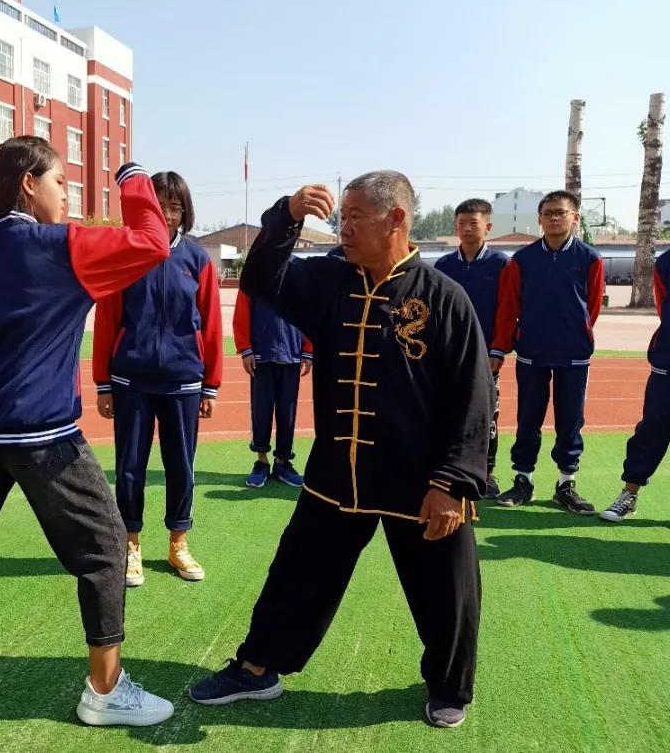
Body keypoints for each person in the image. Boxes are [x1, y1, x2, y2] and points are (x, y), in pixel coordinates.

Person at [188, 171, 492, 729]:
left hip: (421, 480)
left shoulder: (444, 299)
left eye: (356, 217)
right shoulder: (329, 282)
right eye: (341, 215)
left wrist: (451, 484)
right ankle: (257, 670)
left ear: (396, 219)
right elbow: (260, 278)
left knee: (448, 591)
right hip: (338, 472)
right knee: (297, 571)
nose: (344, 227)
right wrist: (285, 215)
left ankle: (449, 685)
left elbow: (473, 398)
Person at [0, 137, 175, 727]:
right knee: (104, 547)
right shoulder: (58, 246)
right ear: (28, 184)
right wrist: (133, 176)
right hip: (44, 434)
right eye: (61, 181)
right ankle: (105, 688)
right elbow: (153, 241)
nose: (65, 193)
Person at [92, 171, 222, 586]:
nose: (165, 213)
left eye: (174, 205)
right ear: (143, 208)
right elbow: (109, 319)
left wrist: (210, 384)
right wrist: (103, 383)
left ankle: (178, 542)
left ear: (184, 211)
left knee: (180, 465)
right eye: (158, 204)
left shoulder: (197, 259)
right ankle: (130, 543)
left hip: (184, 381)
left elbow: (213, 325)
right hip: (131, 379)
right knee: (130, 466)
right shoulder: (126, 254)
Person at [491, 191, 604, 514]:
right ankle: (523, 479)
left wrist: (577, 332)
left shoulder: (590, 258)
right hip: (532, 353)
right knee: (529, 419)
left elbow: (591, 307)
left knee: (570, 420)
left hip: (574, 354)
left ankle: (565, 483)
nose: (555, 218)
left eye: (561, 213)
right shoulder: (522, 261)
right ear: (539, 219)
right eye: (549, 213)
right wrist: (501, 345)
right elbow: (509, 306)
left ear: (575, 218)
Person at [601, 208, 670, 524]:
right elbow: (664, 307)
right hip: (669, 361)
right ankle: (629, 494)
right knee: (651, 430)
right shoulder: (667, 262)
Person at [434, 199, 510, 498]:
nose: (466, 229)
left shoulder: (501, 264)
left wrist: (498, 349)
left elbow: (507, 310)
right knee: (443, 412)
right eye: (461, 223)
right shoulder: (444, 266)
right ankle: (443, 467)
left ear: (487, 227)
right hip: (447, 355)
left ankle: (487, 472)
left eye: (473, 223)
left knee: (486, 416)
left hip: (485, 357)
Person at [233, 286, 312, 488]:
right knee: (261, 411)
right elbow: (242, 311)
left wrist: (308, 350)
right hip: (261, 355)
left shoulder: (299, 273)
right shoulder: (255, 274)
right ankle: (261, 461)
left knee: (288, 412)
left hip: (291, 354)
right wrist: (245, 348)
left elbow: (310, 313)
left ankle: (283, 462)